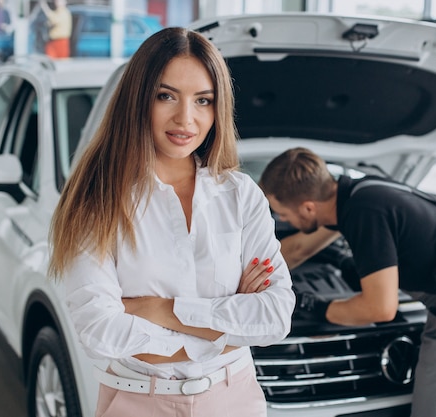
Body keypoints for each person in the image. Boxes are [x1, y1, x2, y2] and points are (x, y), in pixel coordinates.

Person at [48, 27, 295, 417]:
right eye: (166, 96)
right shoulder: (99, 199)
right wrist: (228, 324)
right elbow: (99, 331)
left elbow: (274, 317)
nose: (186, 118)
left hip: (236, 398)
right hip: (137, 402)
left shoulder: (241, 194)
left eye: (203, 100)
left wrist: (159, 309)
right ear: (138, 99)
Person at [259, 147, 436, 417]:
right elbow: (298, 250)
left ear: (308, 207)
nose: (281, 220)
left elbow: (380, 309)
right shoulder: (357, 194)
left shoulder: (364, 213)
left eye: (281, 213)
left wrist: (313, 306)